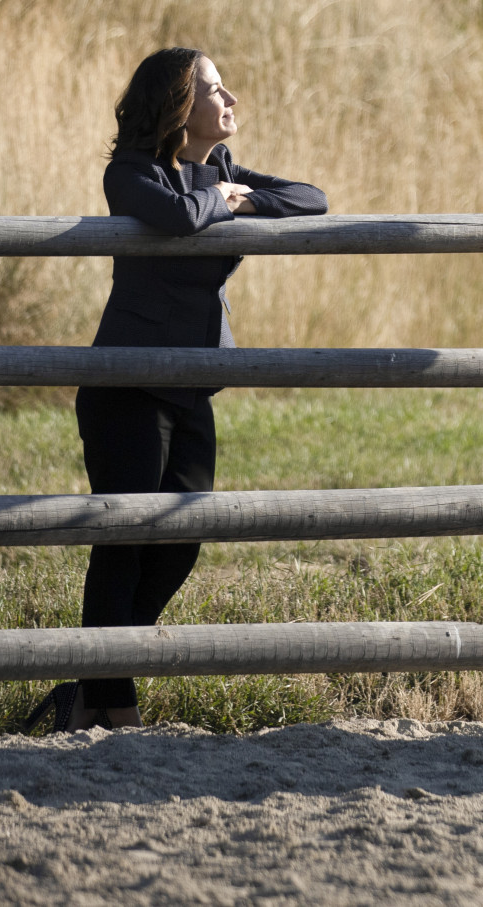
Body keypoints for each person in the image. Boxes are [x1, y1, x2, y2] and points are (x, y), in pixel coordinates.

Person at [27, 47, 327, 732]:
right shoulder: (128, 174)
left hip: (192, 385)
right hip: (128, 385)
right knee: (124, 541)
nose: (232, 99)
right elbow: (178, 218)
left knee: (183, 539)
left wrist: (234, 193)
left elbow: (312, 199)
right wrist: (221, 200)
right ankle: (114, 707)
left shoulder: (216, 170)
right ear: (177, 105)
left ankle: (87, 687)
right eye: (215, 88)